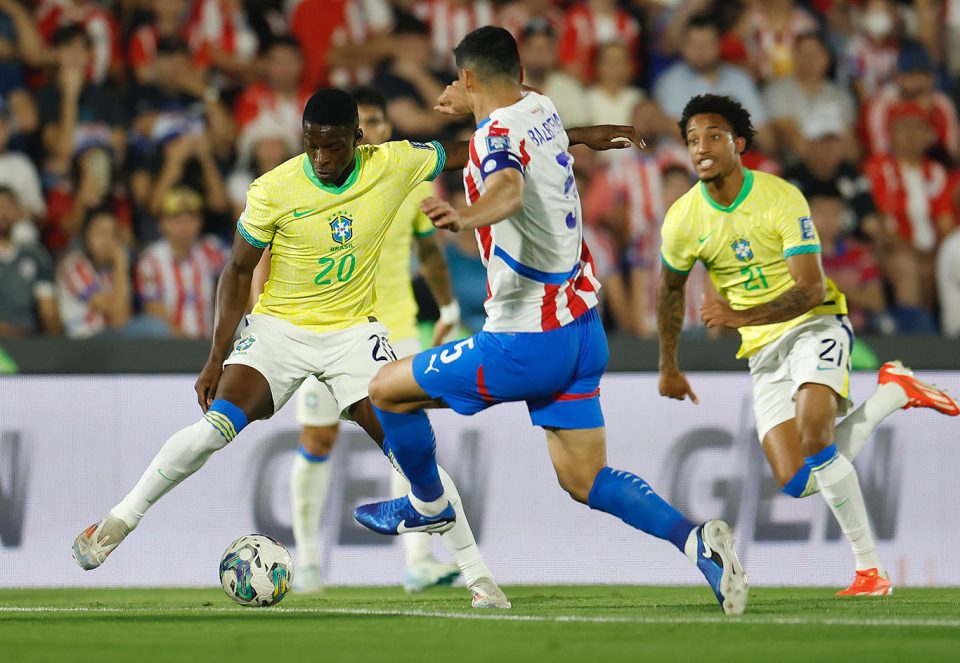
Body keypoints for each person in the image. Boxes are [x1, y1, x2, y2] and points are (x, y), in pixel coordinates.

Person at [71, 86, 636, 608]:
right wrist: (217, 355)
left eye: (333, 146)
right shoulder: (273, 189)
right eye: (313, 146)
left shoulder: (390, 164)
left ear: (357, 140)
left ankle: (478, 575)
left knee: (411, 454)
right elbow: (236, 272)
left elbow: (471, 148)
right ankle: (120, 521)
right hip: (279, 331)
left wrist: (578, 135)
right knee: (214, 429)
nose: (321, 157)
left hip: (351, 335)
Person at [351, 26, 749, 616]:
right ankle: (697, 544)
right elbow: (547, 133)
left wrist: (464, 217)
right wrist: (595, 136)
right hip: (583, 328)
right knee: (585, 480)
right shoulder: (539, 106)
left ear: (466, 79)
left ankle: (428, 505)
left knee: (384, 392)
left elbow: (507, 190)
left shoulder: (491, 140)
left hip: (524, 340)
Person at [656, 93, 959, 598]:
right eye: (692, 140)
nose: (701, 148)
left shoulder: (780, 197)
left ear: (739, 144)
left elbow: (810, 289)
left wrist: (737, 315)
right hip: (763, 350)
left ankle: (870, 573)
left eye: (713, 136)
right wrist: (668, 364)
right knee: (797, 481)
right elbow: (668, 290)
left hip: (814, 324)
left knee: (816, 437)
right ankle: (893, 393)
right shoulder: (683, 219)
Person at [251, 87, 482, 596]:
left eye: (380, 121)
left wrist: (445, 309)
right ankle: (308, 563)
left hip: (391, 329)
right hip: (322, 325)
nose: (377, 129)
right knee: (317, 438)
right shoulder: (312, 185)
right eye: (370, 121)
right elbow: (265, 250)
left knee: (403, 439)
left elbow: (429, 254)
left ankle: (419, 561)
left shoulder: (401, 182)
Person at [136, 187, 228, 338]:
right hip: (168, 343)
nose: (183, 226)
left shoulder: (210, 249)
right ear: (162, 223)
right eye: (176, 219)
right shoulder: (151, 260)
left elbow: (243, 271)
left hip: (207, 341)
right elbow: (153, 310)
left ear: (200, 223)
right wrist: (187, 342)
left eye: (190, 219)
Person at [57, 208, 132, 339]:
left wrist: (120, 269)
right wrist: (121, 265)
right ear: (86, 236)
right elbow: (118, 317)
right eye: (101, 233)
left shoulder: (110, 271)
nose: (108, 240)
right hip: (86, 340)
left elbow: (123, 319)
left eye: (113, 234)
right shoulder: (75, 265)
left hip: (111, 339)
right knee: (151, 329)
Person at [0, 186, 60, 338]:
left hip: (27, 340)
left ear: (18, 211)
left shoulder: (35, 255)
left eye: (7, 207)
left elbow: (48, 310)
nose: (2, 214)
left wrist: (57, 343)